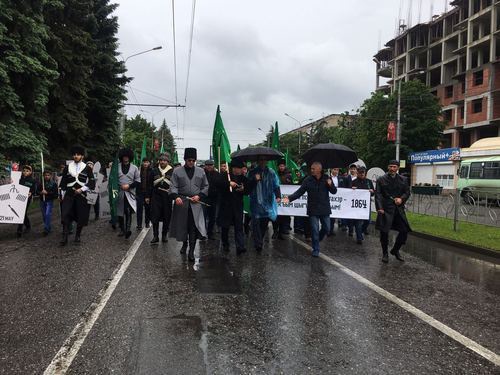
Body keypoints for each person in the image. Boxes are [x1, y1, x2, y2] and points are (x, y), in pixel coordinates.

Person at [283, 162, 337, 257]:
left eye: (313, 169)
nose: (311, 170)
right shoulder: (308, 180)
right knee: (314, 230)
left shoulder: (326, 178)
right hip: (313, 209)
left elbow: (334, 191)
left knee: (327, 228)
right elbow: (300, 192)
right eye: (311, 168)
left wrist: (330, 185)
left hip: (325, 208)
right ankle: (316, 249)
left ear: (319, 169)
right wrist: (289, 198)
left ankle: (318, 238)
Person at [169, 148, 209, 262]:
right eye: (189, 160)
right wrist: (176, 197)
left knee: (193, 227)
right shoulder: (177, 171)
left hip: (195, 204)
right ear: (185, 160)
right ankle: (184, 244)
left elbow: (205, 186)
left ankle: (191, 251)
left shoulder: (201, 171)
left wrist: (199, 196)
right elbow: (173, 186)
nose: (191, 162)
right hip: (182, 203)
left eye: (193, 160)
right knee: (183, 226)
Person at [215, 159, 256, 255]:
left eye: (242, 168)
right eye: (239, 168)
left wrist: (243, 189)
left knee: (239, 226)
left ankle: (240, 246)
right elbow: (217, 183)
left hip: (237, 206)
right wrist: (228, 184)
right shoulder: (225, 176)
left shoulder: (243, 178)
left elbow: (248, 189)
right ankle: (225, 244)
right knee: (225, 227)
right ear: (234, 168)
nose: (241, 170)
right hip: (226, 206)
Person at [375, 160, 412, 263]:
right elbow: (378, 194)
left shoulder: (403, 179)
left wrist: (401, 199)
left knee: (404, 230)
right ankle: (385, 253)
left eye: (394, 167)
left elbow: (407, 192)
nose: (392, 169)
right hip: (385, 209)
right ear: (388, 167)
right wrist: (379, 207)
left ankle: (395, 250)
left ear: (398, 168)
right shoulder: (381, 179)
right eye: (390, 166)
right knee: (384, 232)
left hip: (398, 209)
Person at [59, 146, 96, 245]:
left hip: (81, 195)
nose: (76, 156)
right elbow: (63, 183)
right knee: (65, 215)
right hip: (69, 194)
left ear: (82, 156)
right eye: (74, 154)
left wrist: (82, 189)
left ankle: (78, 236)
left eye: (78, 154)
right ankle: (65, 236)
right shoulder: (67, 167)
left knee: (81, 216)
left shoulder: (87, 168)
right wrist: (62, 195)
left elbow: (92, 183)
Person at [247, 157, 281, 252]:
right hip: (255, 202)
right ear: (257, 161)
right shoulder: (252, 172)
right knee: (256, 223)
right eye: (260, 160)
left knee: (264, 223)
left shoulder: (271, 172)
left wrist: (278, 196)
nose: (262, 161)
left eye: (264, 160)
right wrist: (254, 179)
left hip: (268, 202)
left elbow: (276, 185)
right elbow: (247, 186)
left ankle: (260, 239)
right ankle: (258, 243)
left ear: (266, 161)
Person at [117, 148, 141, 239]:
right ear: (122, 157)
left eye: (127, 156)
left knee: (127, 211)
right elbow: (113, 179)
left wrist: (129, 186)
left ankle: (127, 230)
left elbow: (138, 181)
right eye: (124, 156)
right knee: (120, 211)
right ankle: (122, 229)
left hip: (130, 193)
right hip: (119, 192)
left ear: (130, 157)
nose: (125, 158)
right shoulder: (117, 167)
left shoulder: (134, 168)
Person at [149, 154, 173, 244]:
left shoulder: (172, 171)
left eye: (165, 160)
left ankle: (164, 235)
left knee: (167, 216)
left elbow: (174, 184)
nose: (162, 162)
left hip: (167, 196)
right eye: (161, 160)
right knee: (155, 216)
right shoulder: (154, 171)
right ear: (159, 161)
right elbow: (149, 184)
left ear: (168, 162)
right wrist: (148, 196)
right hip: (156, 196)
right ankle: (155, 236)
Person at [351, 166, 375, 244]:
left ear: (365, 173)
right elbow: (349, 193)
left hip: (366, 205)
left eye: (363, 172)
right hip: (357, 205)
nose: (361, 174)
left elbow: (373, 193)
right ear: (357, 173)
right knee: (358, 222)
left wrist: (372, 191)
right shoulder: (354, 181)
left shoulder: (369, 182)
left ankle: (360, 231)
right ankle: (359, 237)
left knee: (368, 221)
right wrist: (352, 189)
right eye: (360, 172)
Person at [272, 160, 292, 239]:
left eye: (283, 166)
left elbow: (291, 186)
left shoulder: (288, 175)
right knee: (275, 216)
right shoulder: (275, 175)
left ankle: (281, 232)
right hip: (276, 198)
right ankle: (275, 231)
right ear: (278, 167)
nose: (281, 167)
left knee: (283, 216)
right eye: (280, 166)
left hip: (284, 199)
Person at [17, 165, 36, 237]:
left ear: (30, 172)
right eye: (24, 171)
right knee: (21, 213)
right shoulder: (19, 179)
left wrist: (31, 193)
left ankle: (20, 229)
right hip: (18, 198)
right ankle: (27, 225)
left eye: (27, 171)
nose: (25, 172)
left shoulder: (33, 180)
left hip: (27, 199)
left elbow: (34, 190)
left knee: (22, 212)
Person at [38, 170, 58, 235]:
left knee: (47, 214)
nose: (46, 176)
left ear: (51, 176)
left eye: (48, 175)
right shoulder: (41, 183)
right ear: (43, 176)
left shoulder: (53, 184)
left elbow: (55, 194)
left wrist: (47, 193)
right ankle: (48, 227)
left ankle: (46, 229)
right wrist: (41, 192)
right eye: (45, 175)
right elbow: (37, 191)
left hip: (49, 201)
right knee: (44, 215)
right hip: (42, 201)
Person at [203, 159, 219, 239]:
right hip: (203, 198)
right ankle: (202, 233)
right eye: (207, 165)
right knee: (203, 216)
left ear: (213, 166)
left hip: (214, 198)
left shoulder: (217, 174)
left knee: (212, 217)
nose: (209, 166)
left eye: (211, 165)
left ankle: (210, 233)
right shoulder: (202, 174)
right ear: (205, 166)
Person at [340, 163, 357, 236]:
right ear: (349, 170)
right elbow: (344, 188)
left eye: (354, 169)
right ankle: (350, 229)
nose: (353, 170)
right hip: (348, 199)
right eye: (351, 169)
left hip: (356, 199)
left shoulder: (358, 179)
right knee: (349, 215)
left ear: (356, 170)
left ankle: (352, 228)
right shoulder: (346, 178)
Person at [137, 157, 153, 230]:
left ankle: (147, 223)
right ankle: (139, 224)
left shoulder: (151, 171)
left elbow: (151, 184)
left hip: (148, 193)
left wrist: (148, 196)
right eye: (144, 162)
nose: (145, 163)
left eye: (147, 162)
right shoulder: (139, 171)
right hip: (140, 192)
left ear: (149, 163)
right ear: (142, 163)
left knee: (147, 209)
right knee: (139, 208)